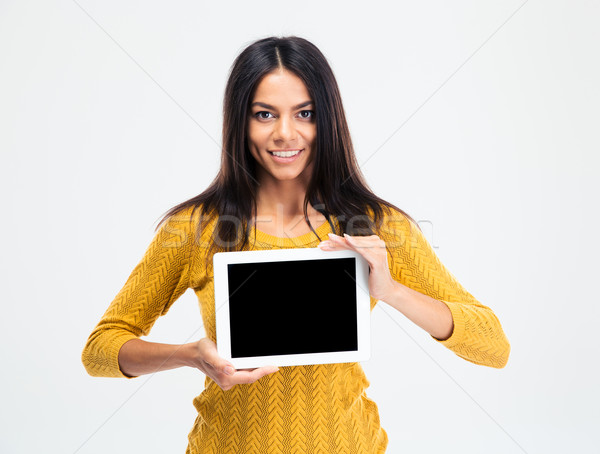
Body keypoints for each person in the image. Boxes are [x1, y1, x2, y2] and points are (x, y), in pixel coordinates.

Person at [82, 35, 510, 453]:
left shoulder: (377, 227)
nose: (285, 133)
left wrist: (393, 291)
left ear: (327, 118)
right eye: (264, 114)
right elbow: (100, 350)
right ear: (240, 122)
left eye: (304, 113)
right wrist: (190, 355)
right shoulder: (196, 229)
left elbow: (493, 347)